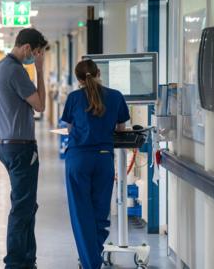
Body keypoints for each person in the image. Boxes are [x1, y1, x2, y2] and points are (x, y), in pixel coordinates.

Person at [61, 60, 130, 269]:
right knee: (100, 213)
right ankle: (91, 259)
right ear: (99, 73)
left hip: (78, 160)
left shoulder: (73, 98)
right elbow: (121, 129)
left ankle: (91, 263)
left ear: (78, 79)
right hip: (103, 159)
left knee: (81, 214)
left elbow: (70, 128)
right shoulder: (116, 96)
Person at [0, 28, 48, 269]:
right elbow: (41, 105)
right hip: (21, 148)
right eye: (36, 53)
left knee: (27, 205)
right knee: (23, 208)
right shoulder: (16, 70)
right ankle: (15, 262)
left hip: (6, 144)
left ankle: (27, 259)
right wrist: (40, 70)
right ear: (26, 48)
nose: (36, 57)